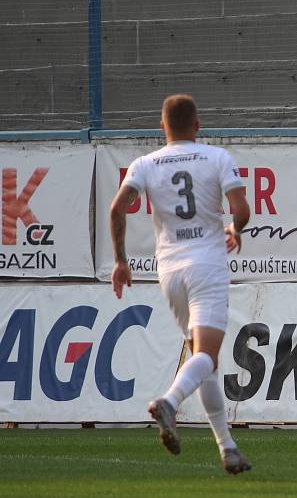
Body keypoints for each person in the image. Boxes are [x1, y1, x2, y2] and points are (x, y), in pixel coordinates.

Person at [109, 94, 252, 475]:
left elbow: (116, 207)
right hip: (206, 265)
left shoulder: (146, 163)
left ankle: (228, 448)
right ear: (198, 125)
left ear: (162, 127)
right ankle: (170, 401)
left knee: (203, 362)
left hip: (169, 271)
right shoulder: (216, 158)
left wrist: (122, 261)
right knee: (206, 355)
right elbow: (242, 211)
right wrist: (234, 230)